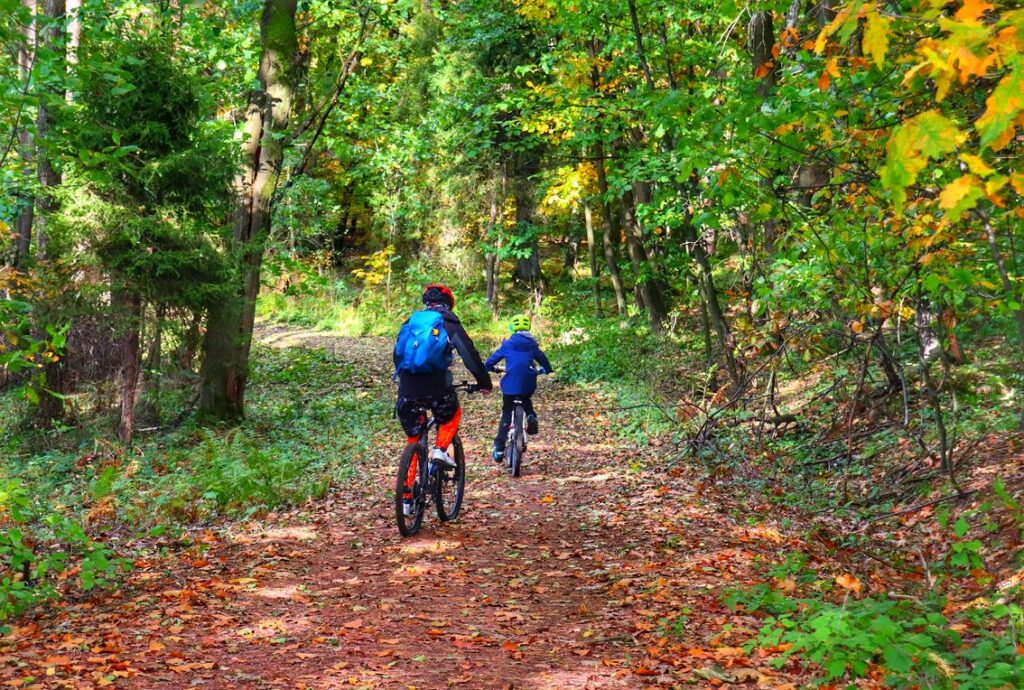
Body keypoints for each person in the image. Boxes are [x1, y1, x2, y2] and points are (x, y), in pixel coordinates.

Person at [394, 284, 493, 477]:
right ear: (449, 303)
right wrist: (484, 382)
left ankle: (406, 499)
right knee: (451, 415)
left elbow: (398, 355)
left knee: (414, 437)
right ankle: (440, 450)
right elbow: (469, 355)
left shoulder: (410, 322)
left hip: (407, 388)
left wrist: (404, 381)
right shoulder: (448, 322)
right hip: (437, 387)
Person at [485, 314, 553, 462]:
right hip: (528, 380)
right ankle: (531, 416)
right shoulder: (532, 344)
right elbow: (543, 360)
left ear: (512, 327)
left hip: (510, 383)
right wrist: (547, 370)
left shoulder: (507, 344)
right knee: (526, 400)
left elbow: (491, 360)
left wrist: (490, 367)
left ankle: (499, 448)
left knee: (507, 412)